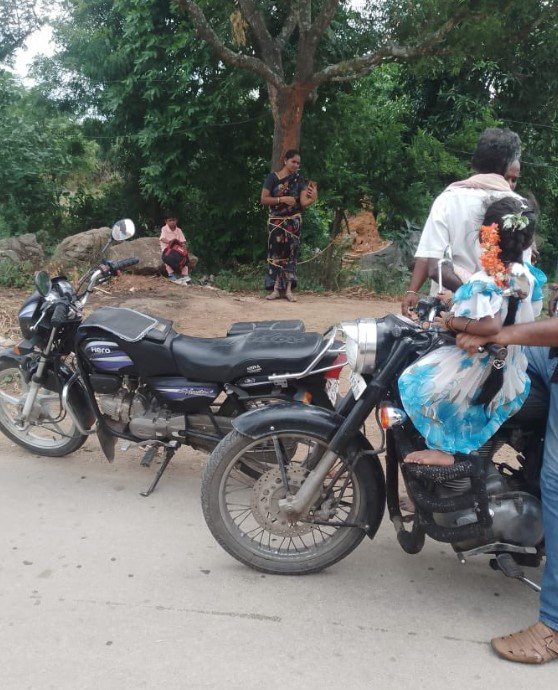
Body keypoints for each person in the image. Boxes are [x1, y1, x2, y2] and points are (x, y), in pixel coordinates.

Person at [399, 197, 540, 460]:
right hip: (510, 364)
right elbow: (514, 308)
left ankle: (444, 450)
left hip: (480, 365)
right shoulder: (525, 276)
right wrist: (456, 300)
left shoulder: (484, 280)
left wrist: (451, 321)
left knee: (413, 381)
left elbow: (491, 324)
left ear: (486, 236)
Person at [457, 321, 558, 664]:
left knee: (556, 480)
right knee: (483, 377)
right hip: (550, 355)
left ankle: (554, 625)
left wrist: (502, 334)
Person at [402, 128, 524, 318]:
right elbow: (521, 275)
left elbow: (433, 263)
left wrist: (470, 296)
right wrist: (486, 300)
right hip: (500, 314)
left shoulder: (448, 199)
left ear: (475, 162)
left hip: (451, 308)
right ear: (508, 165)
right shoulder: (520, 207)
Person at [261, 149, 317, 302]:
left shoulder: (299, 180)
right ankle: (275, 289)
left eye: (298, 163)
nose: (296, 165)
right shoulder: (272, 178)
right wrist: (282, 199)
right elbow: (264, 199)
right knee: (275, 254)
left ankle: (288, 290)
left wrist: (313, 198)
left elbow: (303, 202)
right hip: (276, 222)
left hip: (293, 222)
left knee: (291, 255)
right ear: (285, 160)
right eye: (293, 162)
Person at [159, 214, 191, 285]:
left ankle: (185, 275)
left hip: (177, 249)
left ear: (176, 220)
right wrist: (170, 242)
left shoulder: (179, 230)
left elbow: (183, 241)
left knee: (185, 257)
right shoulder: (164, 229)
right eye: (170, 220)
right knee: (167, 258)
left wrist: (183, 246)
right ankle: (171, 274)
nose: (172, 222)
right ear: (166, 221)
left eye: (173, 220)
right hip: (168, 248)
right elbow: (162, 238)